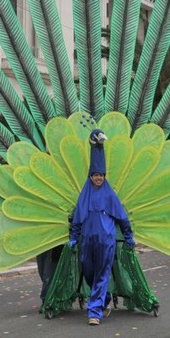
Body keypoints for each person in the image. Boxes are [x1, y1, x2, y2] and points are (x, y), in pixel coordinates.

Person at [69, 129, 134, 326]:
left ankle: (94, 312)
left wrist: (129, 238)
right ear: (90, 176)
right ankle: (104, 300)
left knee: (101, 275)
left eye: (102, 175)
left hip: (106, 243)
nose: (99, 178)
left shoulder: (109, 194)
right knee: (90, 274)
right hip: (87, 243)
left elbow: (122, 218)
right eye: (96, 175)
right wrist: (73, 238)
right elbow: (78, 219)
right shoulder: (85, 195)